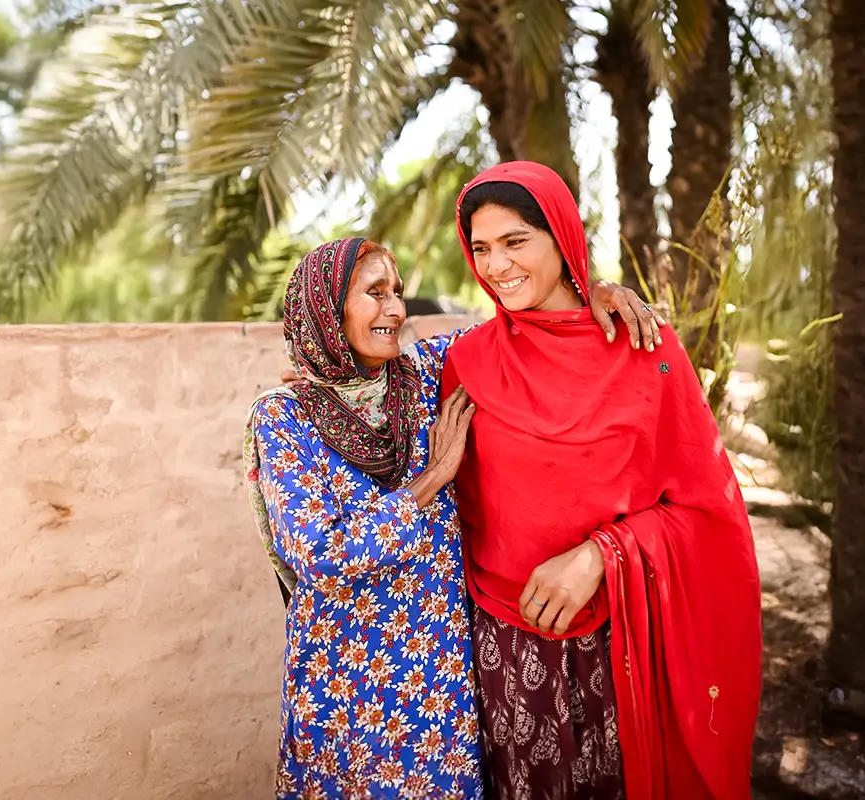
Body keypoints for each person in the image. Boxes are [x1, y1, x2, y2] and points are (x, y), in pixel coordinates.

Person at [243, 236, 662, 798]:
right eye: (374, 294)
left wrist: (592, 294)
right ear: (325, 307)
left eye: (396, 293)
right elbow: (320, 554)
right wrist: (430, 480)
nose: (395, 309)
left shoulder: (424, 375)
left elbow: (519, 329)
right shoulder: (283, 417)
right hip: (343, 683)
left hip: (438, 681)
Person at [439, 161, 761, 799]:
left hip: (627, 639)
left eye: (516, 242)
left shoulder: (646, 349)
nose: (496, 266)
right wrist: (308, 390)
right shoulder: (465, 361)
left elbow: (706, 509)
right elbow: (371, 365)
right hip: (504, 655)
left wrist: (600, 556)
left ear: (562, 236)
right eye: (481, 248)